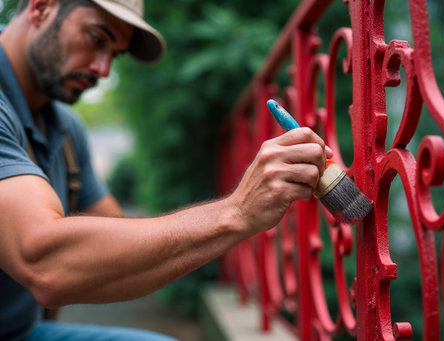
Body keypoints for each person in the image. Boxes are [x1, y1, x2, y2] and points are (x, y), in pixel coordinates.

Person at [0, 0, 333, 340]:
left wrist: (238, 215)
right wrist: (237, 211)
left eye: (115, 55)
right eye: (97, 39)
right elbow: (45, 263)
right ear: (41, 8)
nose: (102, 69)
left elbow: (120, 246)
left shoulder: (65, 128)